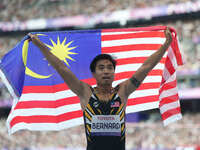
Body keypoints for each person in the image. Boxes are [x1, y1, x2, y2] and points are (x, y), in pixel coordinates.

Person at [28, 28, 172, 150]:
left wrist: (166, 45)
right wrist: (40, 45)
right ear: (93, 73)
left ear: (114, 73)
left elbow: (145, 67)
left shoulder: (122, 91)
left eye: (110, 68)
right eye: (101, 68)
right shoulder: (85, 92)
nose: (106, 71)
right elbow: (61, 67)